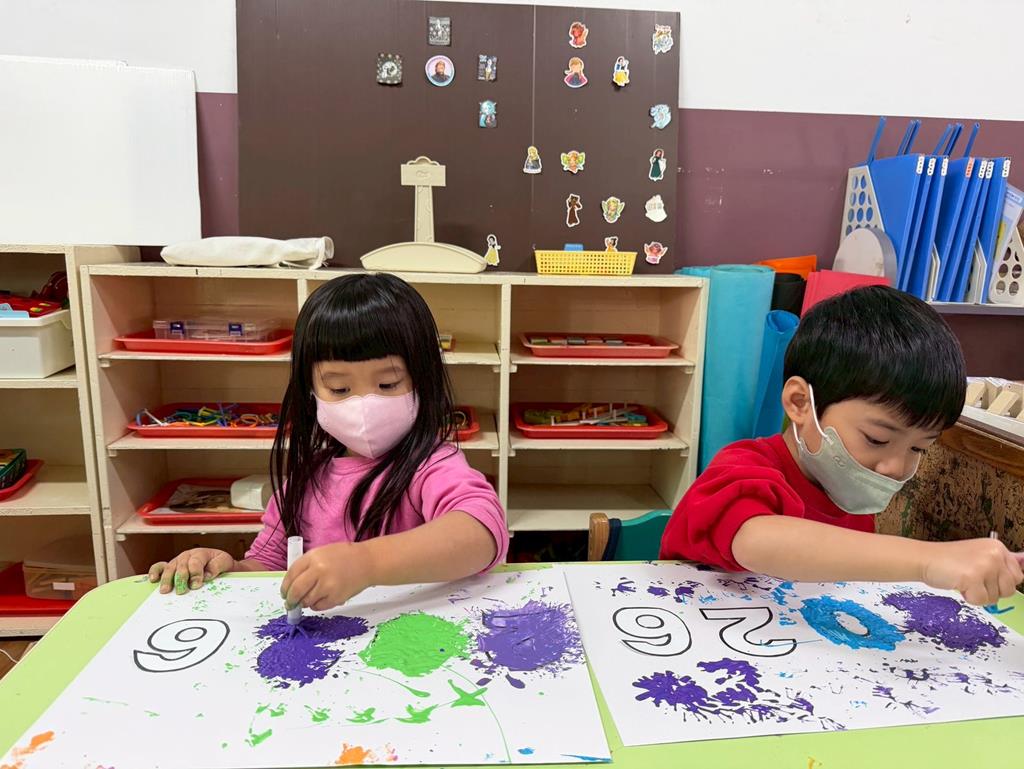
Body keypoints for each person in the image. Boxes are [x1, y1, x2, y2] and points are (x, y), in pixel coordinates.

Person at [149, 274, 509, 611]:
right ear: (311, 393)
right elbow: (272, 567)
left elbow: (482, 533)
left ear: (422, 381)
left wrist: (367, 563)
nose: (363, 404)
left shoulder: (431, 465)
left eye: (387, 385)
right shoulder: (305, 481)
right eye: (339, 388)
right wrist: (229, 568)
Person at [661, 286, 1024, 606]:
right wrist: (927, 560)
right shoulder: (743, 467)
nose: (896, 468)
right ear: (800, 403)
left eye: (918, 449)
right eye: (877, 439)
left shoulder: (849, 494)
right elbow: (756, 539)